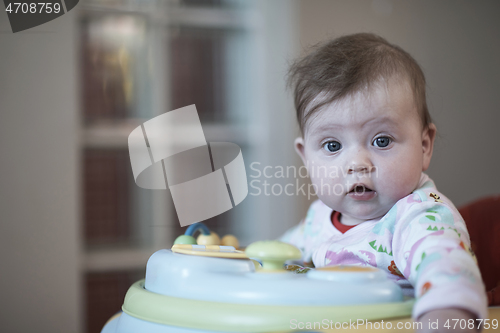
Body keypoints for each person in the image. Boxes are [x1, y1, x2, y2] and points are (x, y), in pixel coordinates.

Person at [280, 33, 487, 331]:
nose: (356, 164)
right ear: (306, 157)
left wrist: (446, 315)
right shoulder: (318, 219)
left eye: (381, 140)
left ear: (424, 145)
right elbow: (277, 258)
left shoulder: (418, 217)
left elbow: (447, 272)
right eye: (333, 146)